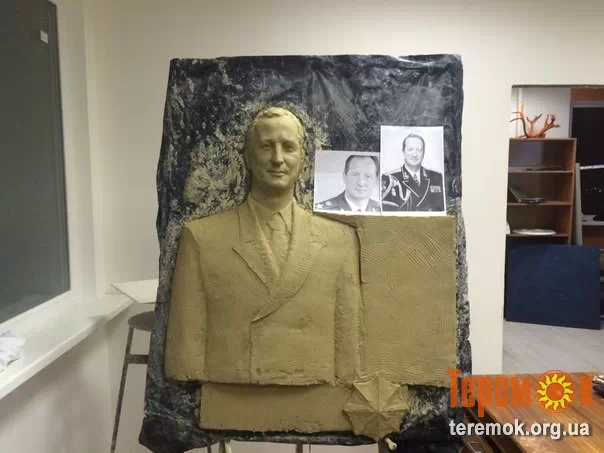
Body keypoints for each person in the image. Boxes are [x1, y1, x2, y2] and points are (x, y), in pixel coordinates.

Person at [165, 107, 360, 387]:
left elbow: (349, 349)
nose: (277, 159)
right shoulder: (202, 238)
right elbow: (185, 355)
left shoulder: (339, 239)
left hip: (313, 390)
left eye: (288, 147)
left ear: (303, 158)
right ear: (247, 156)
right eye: (266, 147)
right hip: (232, 391)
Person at [381, 133, 445, 212]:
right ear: (403, 152)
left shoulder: (436, 177)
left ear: (423, 153)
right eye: (410, 149)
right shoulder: (390, 178)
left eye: (419, 150)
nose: (414, 155)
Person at [315, 155, 381, 213]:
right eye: (355, 175)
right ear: (345, 177)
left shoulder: (380, 209)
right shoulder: (322, 210)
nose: (361, 183)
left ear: (376, 181)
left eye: (368, 176)